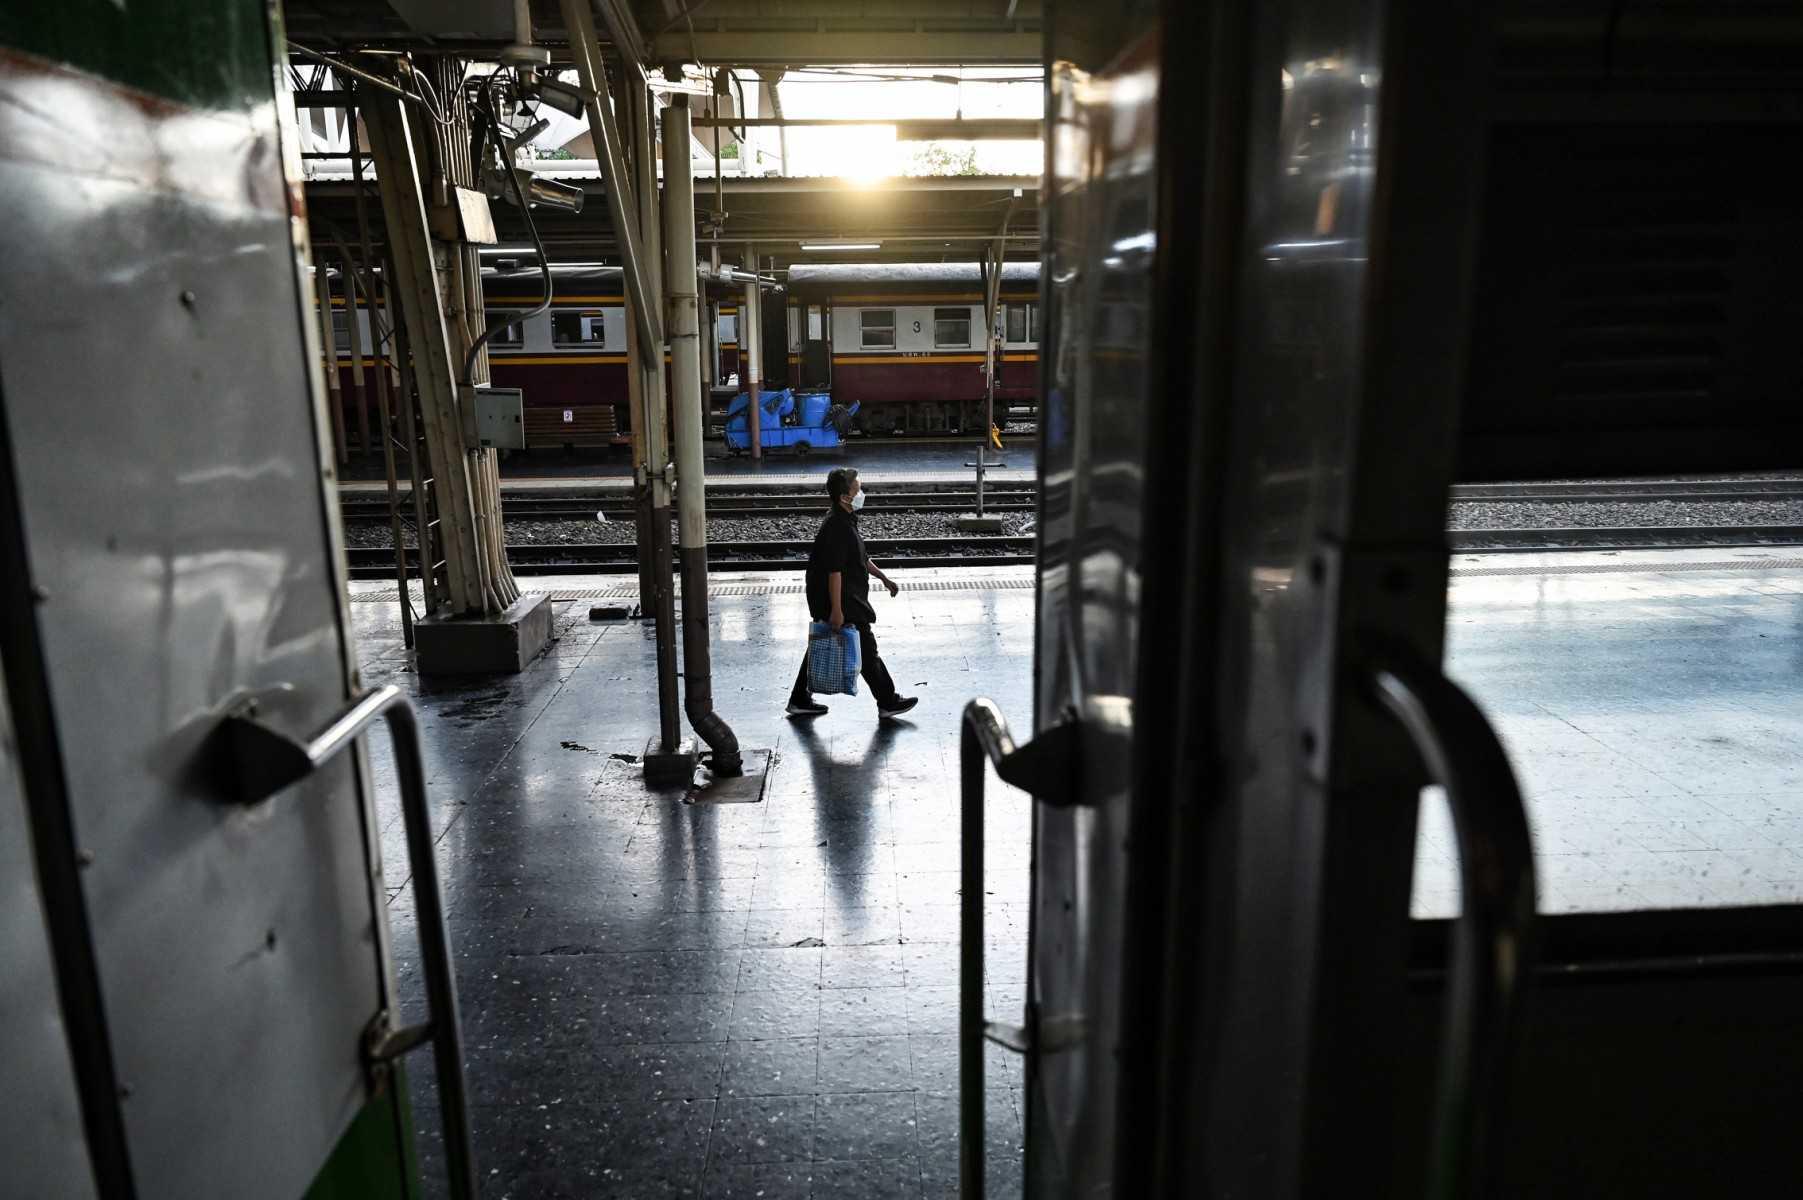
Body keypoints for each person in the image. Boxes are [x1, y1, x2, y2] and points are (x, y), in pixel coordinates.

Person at [787, 467, 918, 720]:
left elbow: (860, 558)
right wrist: (837, 611)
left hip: (845, 596)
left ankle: (799, 698)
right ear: (844, 497)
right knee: (867, 649)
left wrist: (884, 578)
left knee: (824, 642)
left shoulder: (845, 519)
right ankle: (888, 701)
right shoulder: (837, 526)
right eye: (857, 490)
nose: (862, 494)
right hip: (842, 599)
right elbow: (834, 572)